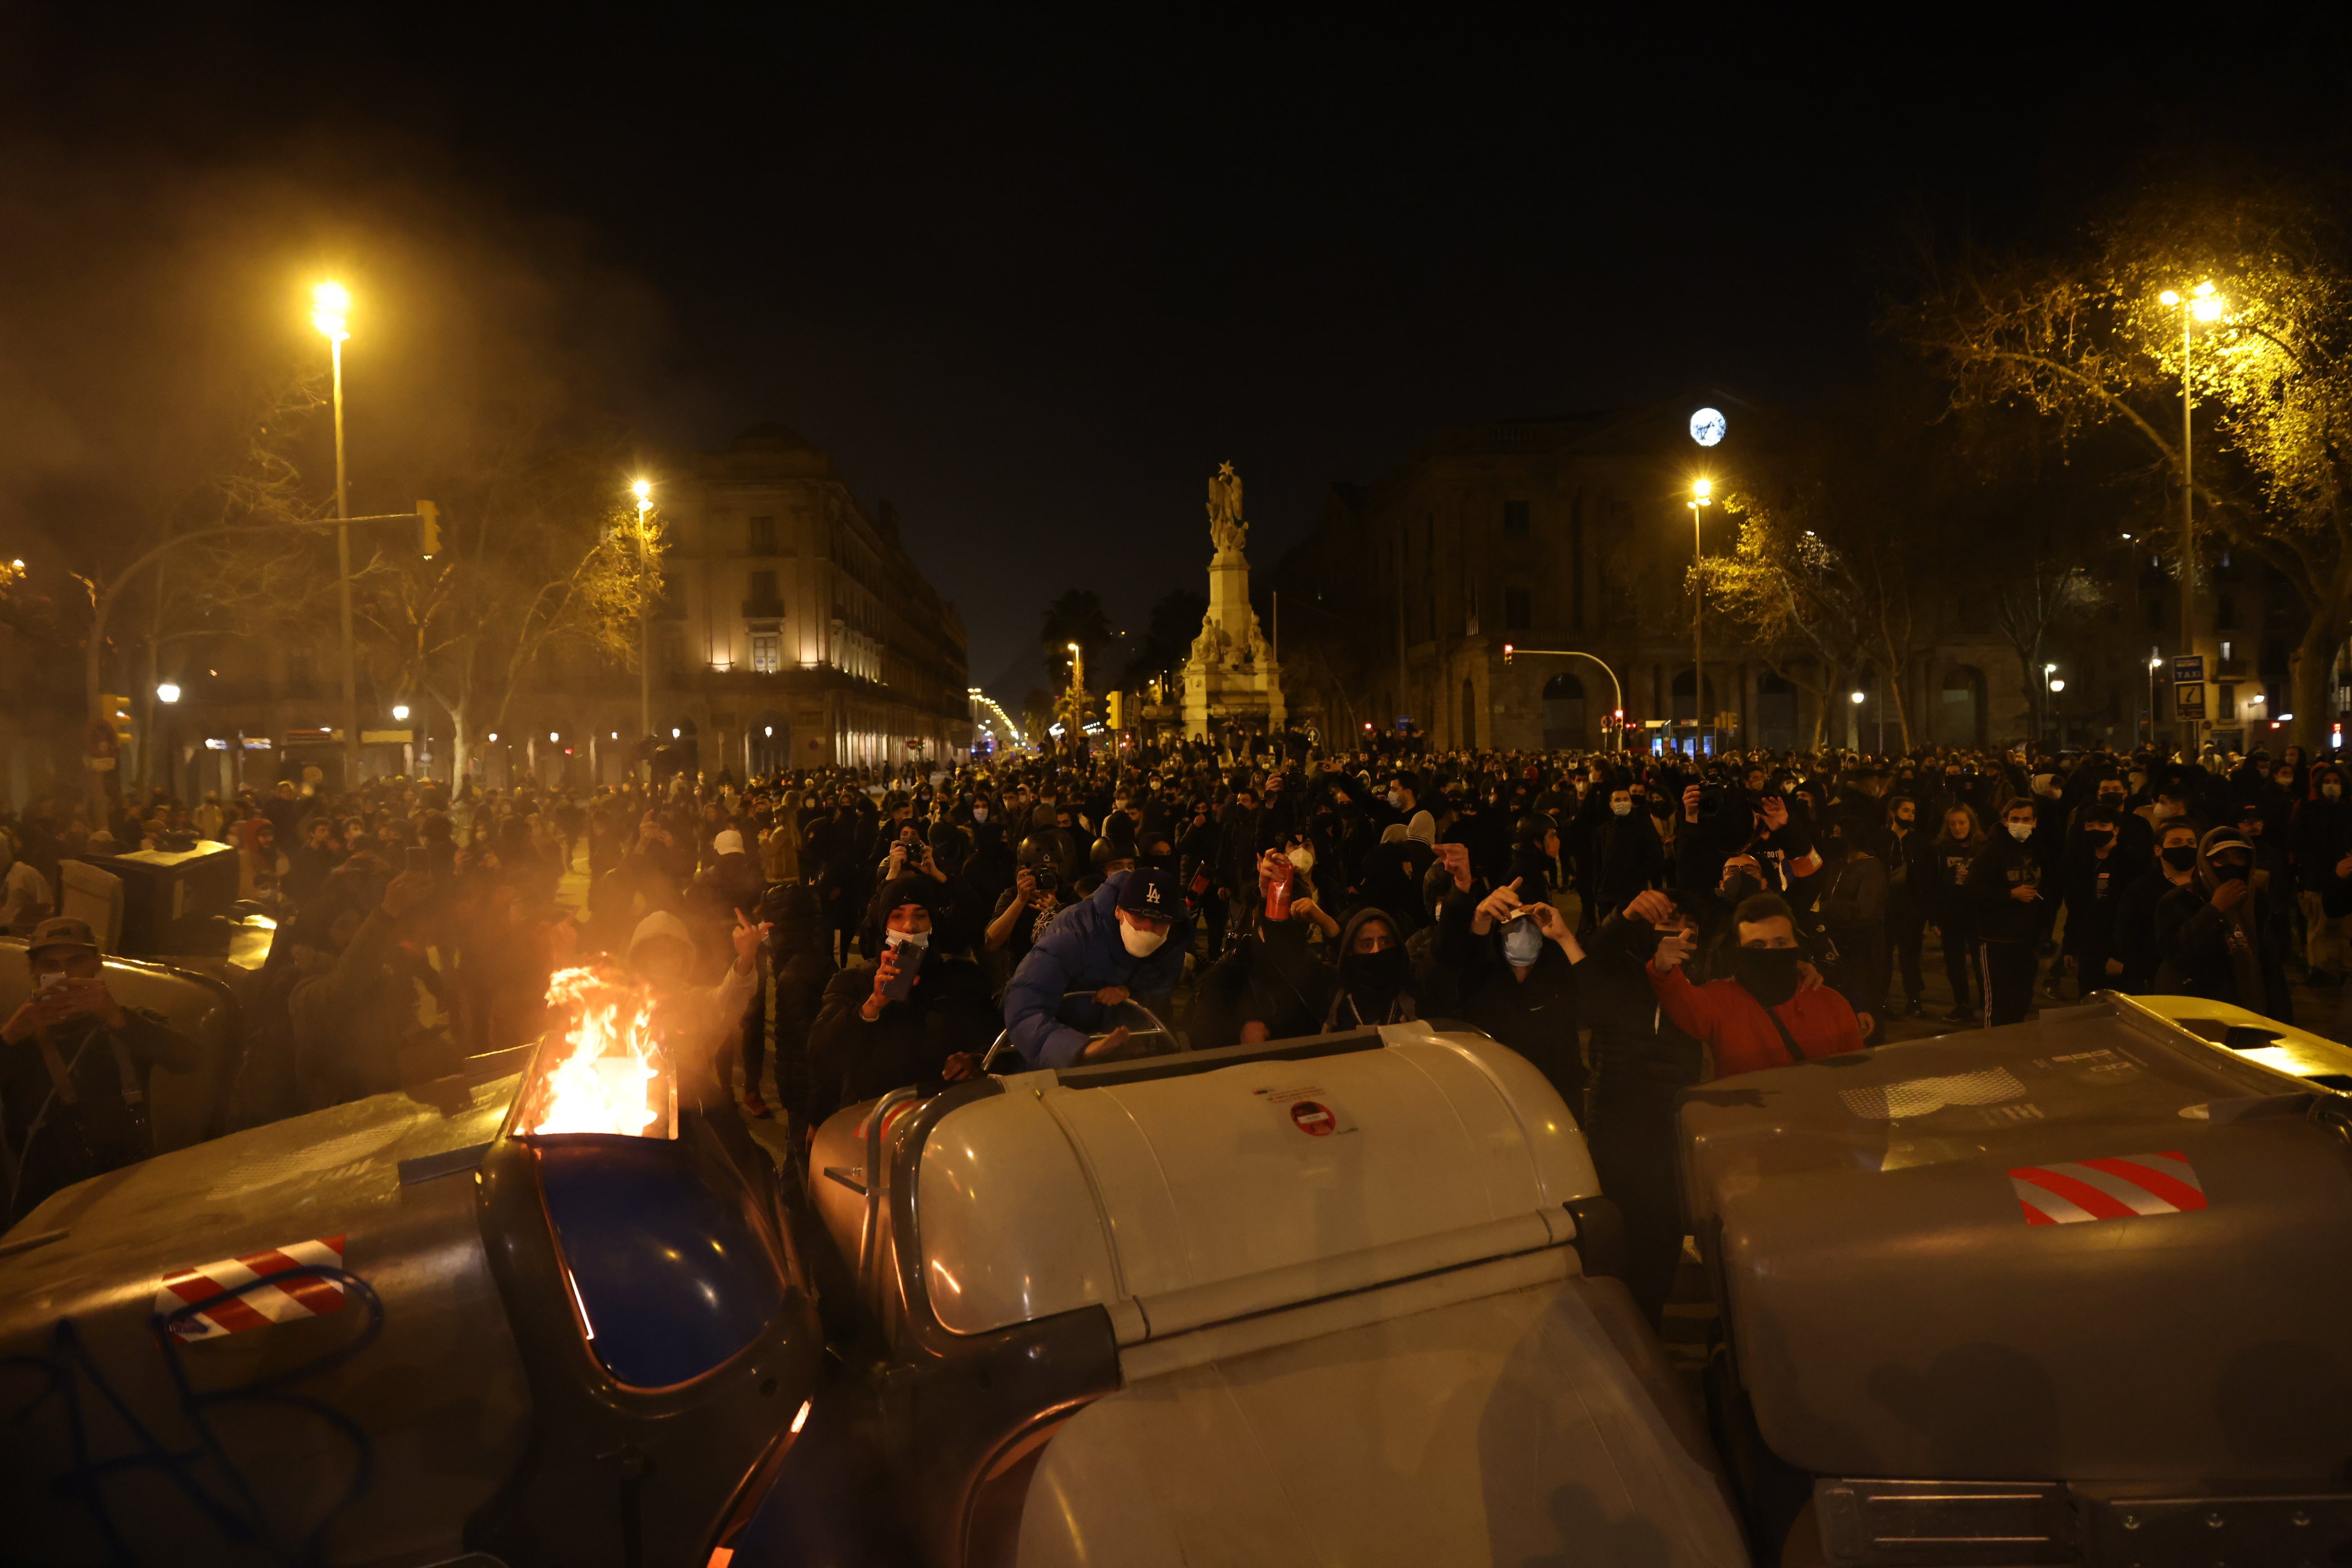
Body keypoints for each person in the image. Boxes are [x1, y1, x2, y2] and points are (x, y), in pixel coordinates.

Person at [2, 916, 199, 1224]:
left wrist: (116, 1016)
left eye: (76, 961)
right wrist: (11, 1037)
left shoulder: (128, 1023)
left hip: (125, 1197)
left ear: (97, 964)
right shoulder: (17, 1037)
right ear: (34, 971)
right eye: (50, 964)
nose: (64, 974)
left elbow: (188, 1058)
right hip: (44, 1207)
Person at [805, 876, 997, 1125]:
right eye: (897, 916)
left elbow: (992, 1038)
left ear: (932, 924)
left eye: (920, 916)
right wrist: (873, 1005)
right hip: (875, 1122)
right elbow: (822, 1055)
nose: (910, 926)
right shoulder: (854, 981)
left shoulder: (962, 977)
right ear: (885, 926)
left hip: (945, 1122)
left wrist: (975, 1060)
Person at [1632, 889, 1865, 1075]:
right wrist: (1663, 968)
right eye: (1757, 946)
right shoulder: (1719, 1000)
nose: (1771, 952)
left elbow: (1859, 1078)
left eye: (1781, 943)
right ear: (1740, 951)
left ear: (1796, 946)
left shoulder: (1833, 1004)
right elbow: (1684, 1002)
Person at [1003, 866, 1188, 1068]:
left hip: (1120, 1040)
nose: (1147, 929)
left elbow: (1160, 986)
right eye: (1139, 918)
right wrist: (1077, 1050)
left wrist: (1130, 991)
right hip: (1053, 1043)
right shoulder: (1074, 931)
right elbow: (1025, 1004)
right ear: (1118, 910)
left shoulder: (1174, 939)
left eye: (1159, 922)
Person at [2154, 826, 2293, 1019]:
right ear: (2206, 862)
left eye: (2239, 857)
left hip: (2259, 1006)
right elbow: (2175, 953)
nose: (2232, 865)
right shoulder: (2180, 900)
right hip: (2203, 1010)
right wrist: (2214, 910)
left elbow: (2280, 954)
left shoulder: (2263, 901)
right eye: (2221, 859)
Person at [1968, 798, 2052, 1027]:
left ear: (2035, 822)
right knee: (1997, 1004)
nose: (2021, 824)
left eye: (2026, 819)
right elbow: (1973, 890)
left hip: (2027, 939)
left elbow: (2047, 888)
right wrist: (2011, 895)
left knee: (2021, 1000)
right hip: (1997, 939)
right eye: (2015, 819)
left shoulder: (2037, 849)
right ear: (2005, 821)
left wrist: (2043, 929)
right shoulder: (1992, 851)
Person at [2113, 819, 2202, 993]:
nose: (2185, 847)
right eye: (2176, 842)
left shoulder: (2207, 887)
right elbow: (2127, 939)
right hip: (2156, 981)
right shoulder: (2140, 890)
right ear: (2158, 850)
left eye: (2191, 843)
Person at [1927, 803, 1988, 1023]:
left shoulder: (1982, 847)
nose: (1957, 827)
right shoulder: (1940, 849)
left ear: (1971, 823)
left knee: (1982, 963)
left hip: (1976, 914)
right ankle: (1962, 1004)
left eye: (1962, 822)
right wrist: (1934, 917)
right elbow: (1932, 885)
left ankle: (1987, 1002)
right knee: (1954, 964)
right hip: (1951, 914)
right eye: (1952, 824)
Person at [1320, 907, 1418, 1031]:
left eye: (1385, 942)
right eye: (1367, 945)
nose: (1377, 950)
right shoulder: (1334, 994)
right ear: (1351, 951)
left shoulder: (1413, 990)